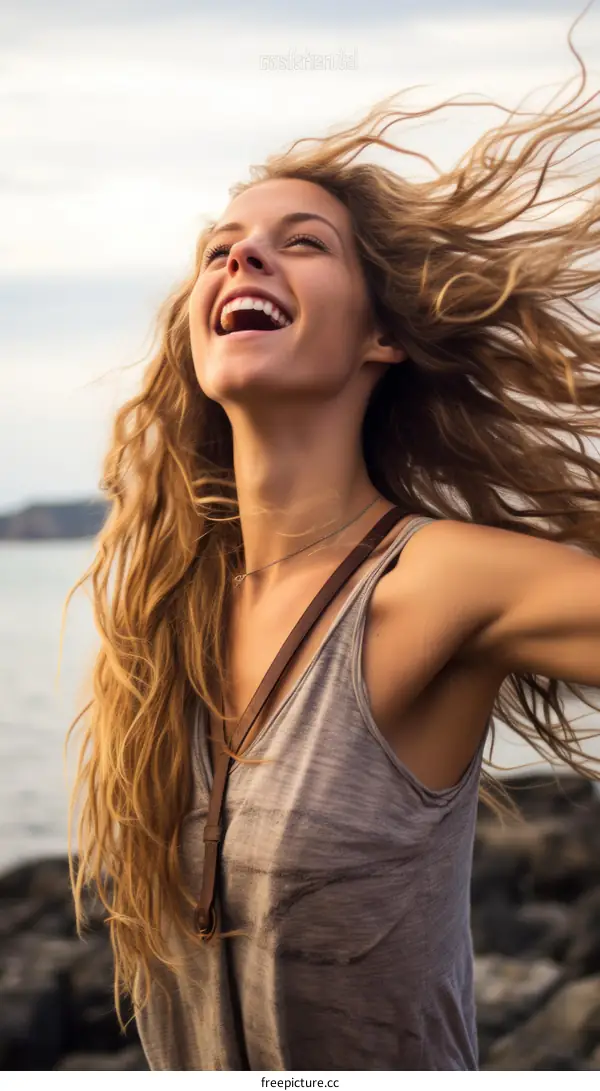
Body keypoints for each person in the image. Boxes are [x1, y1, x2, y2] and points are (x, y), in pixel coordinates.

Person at [64, 43, 600, 1072]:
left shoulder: (433, 583)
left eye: (299, 243)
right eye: (221, 247)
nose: (240, 260)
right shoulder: (163, 619)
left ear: (381, 337)